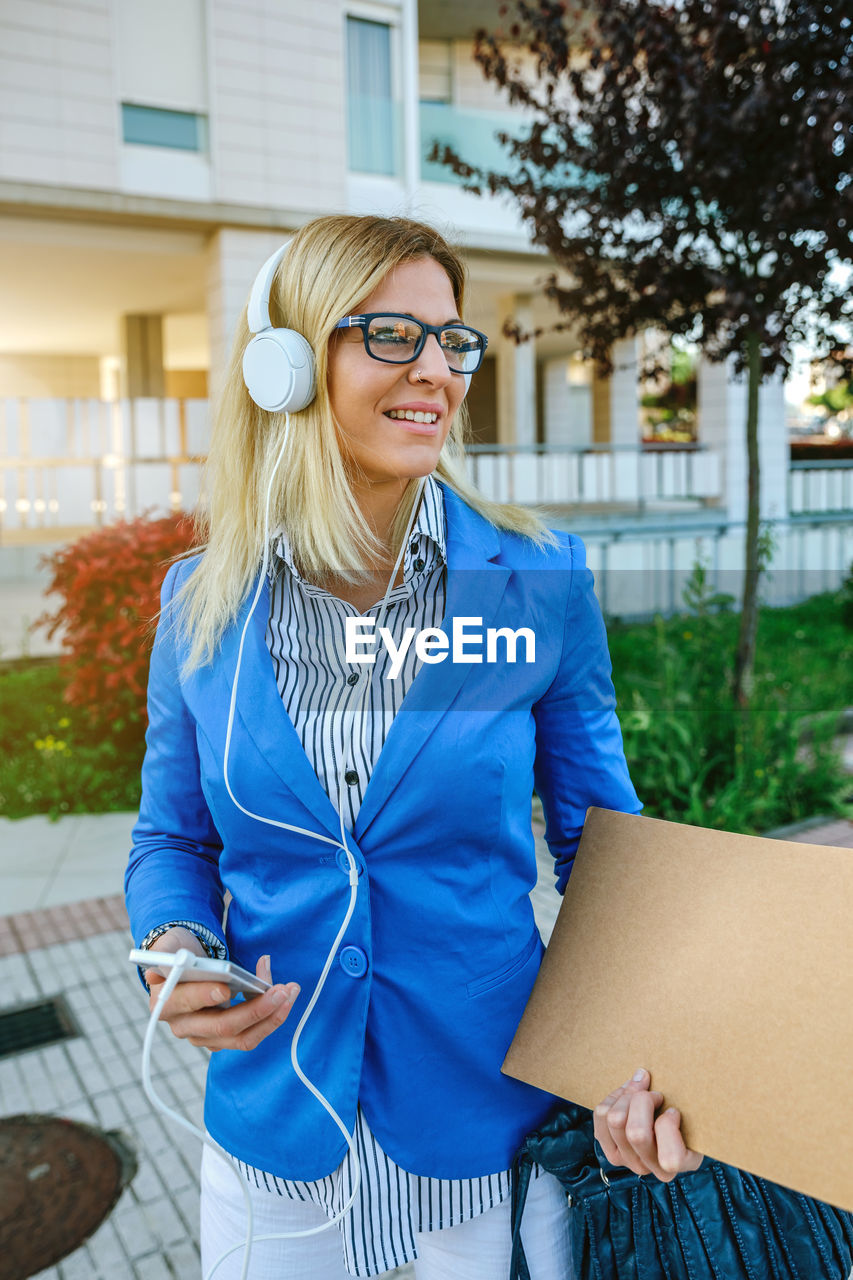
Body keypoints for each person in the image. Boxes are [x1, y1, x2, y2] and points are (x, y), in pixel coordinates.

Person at [124, 213, 643, 1280]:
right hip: (277, 1129)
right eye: (392, 336)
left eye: (450, 341)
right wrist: (170, 944)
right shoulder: (198, 604)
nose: (436, 373)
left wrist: (636, 1053)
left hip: (487, 1117)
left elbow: (609, 852)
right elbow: (170, 834)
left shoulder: (537, 580)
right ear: (288, 365)